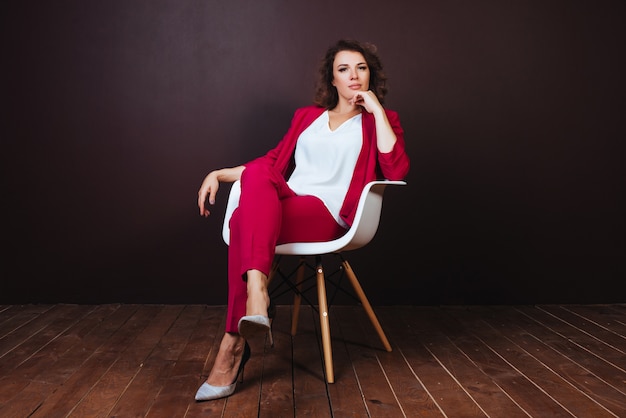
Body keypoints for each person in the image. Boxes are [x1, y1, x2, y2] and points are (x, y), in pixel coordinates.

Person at [195, 39, 410, 401]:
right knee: (259, 175)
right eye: (344, 69)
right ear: (333, 78)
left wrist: (374, 109)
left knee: (241, 221)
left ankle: (233, 343)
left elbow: (396, 168)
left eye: (361, 68)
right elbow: (274, 160)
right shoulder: (306, 116)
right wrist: (219, 173)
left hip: (328, 213)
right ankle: (257, 295)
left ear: (371, 75)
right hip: (288, 200)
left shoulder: (381, 122)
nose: (353, 76)